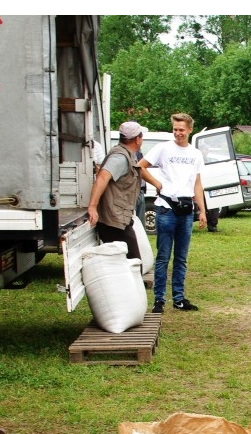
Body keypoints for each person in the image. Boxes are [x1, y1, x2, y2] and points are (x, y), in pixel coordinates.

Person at [139, 112, 207, 312]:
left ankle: (179, 298)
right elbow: (141, 166)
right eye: (175, 129)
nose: (178, 133)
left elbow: (197, 183)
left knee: (181, 257)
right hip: (166, 208)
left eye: (181, 130)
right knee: (163, 256)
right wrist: (157, 183)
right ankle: (159, 300)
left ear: (190, 130)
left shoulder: (195, 154)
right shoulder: (163, 148)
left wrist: (202, 210)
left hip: (186, 210)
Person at [86, 121, 147, 262]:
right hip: (113, 221)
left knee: (126, 263)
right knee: (133, 262)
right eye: (142, 136)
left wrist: (157, 184)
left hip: (118, 219)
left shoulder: (126, 154)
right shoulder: (120, 158)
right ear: (137, 139)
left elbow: (139, 169)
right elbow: (102, 178)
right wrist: (93, 207)